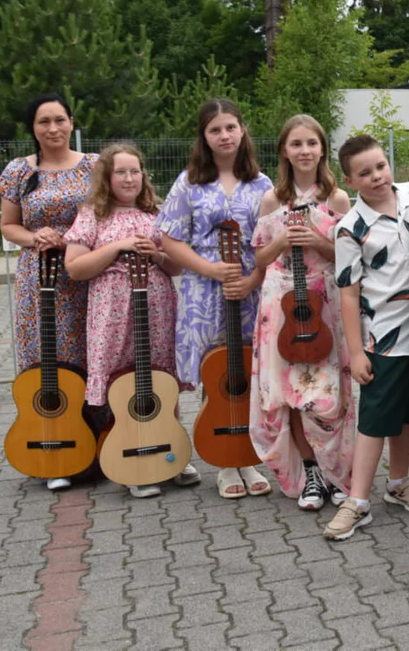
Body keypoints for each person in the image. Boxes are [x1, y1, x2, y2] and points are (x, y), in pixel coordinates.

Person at [323, 135, 409, 541]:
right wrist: (356, 352)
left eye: (380, 166)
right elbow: (349, 293)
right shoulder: (349, 228)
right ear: (349, 180)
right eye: (364, 173)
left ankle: (399, 483)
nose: (376, 177)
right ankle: (356, 502)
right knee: (374, 420)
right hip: (384, 338)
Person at [156, 98, 272, 498]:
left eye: (230, 127)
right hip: (204, 290)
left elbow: (271, 241)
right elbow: (168, 238)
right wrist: (208, 269)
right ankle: (225, 463)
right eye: (215, 129)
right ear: (203, 137)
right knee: (216, 371)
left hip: (250, 287)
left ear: (242, 130)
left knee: (248, 371)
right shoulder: (189, 182)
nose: (224, 135)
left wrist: (254, 278)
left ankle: (250, 456)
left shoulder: (262, 184)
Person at [63, 144, 188, 498]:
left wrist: (158, 254)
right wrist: (116, 247)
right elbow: (75, 267)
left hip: (157, 305)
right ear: (107, 177)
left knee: (161, 377)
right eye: (121, 172)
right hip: (112, 308)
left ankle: (171, 451)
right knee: (121, 382)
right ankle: (130, 457)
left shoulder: (157, 212)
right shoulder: (93, 214)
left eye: (135, 171)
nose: (130, 178)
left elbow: (176, 267)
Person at [249, 115, 356, 509]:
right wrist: (281, 239)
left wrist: (315, 239)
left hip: (324, 300)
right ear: (284, 151)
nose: (305, 151)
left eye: (312, 143)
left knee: (331, 394)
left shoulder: (337, 199)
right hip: (280, 302)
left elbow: (349, 257)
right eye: (296, 144)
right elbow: (259, 258)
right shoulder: (272, 200)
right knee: (289, 392)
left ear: (323, 148)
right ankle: (310, 473)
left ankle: (337, 472)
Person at [0, 93, 100, 491]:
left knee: (93, 356)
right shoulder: (18, 171)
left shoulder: (94, 166)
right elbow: (9, 226)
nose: (53, 128)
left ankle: (98, 445)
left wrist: (74, 238)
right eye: (44, 122)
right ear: (33, 129)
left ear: (72, 122)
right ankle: (53, 451)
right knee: (45, 360)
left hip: (86, 277)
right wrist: (34, 234)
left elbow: (108, 212)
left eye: (60, 120)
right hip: (38, 283)